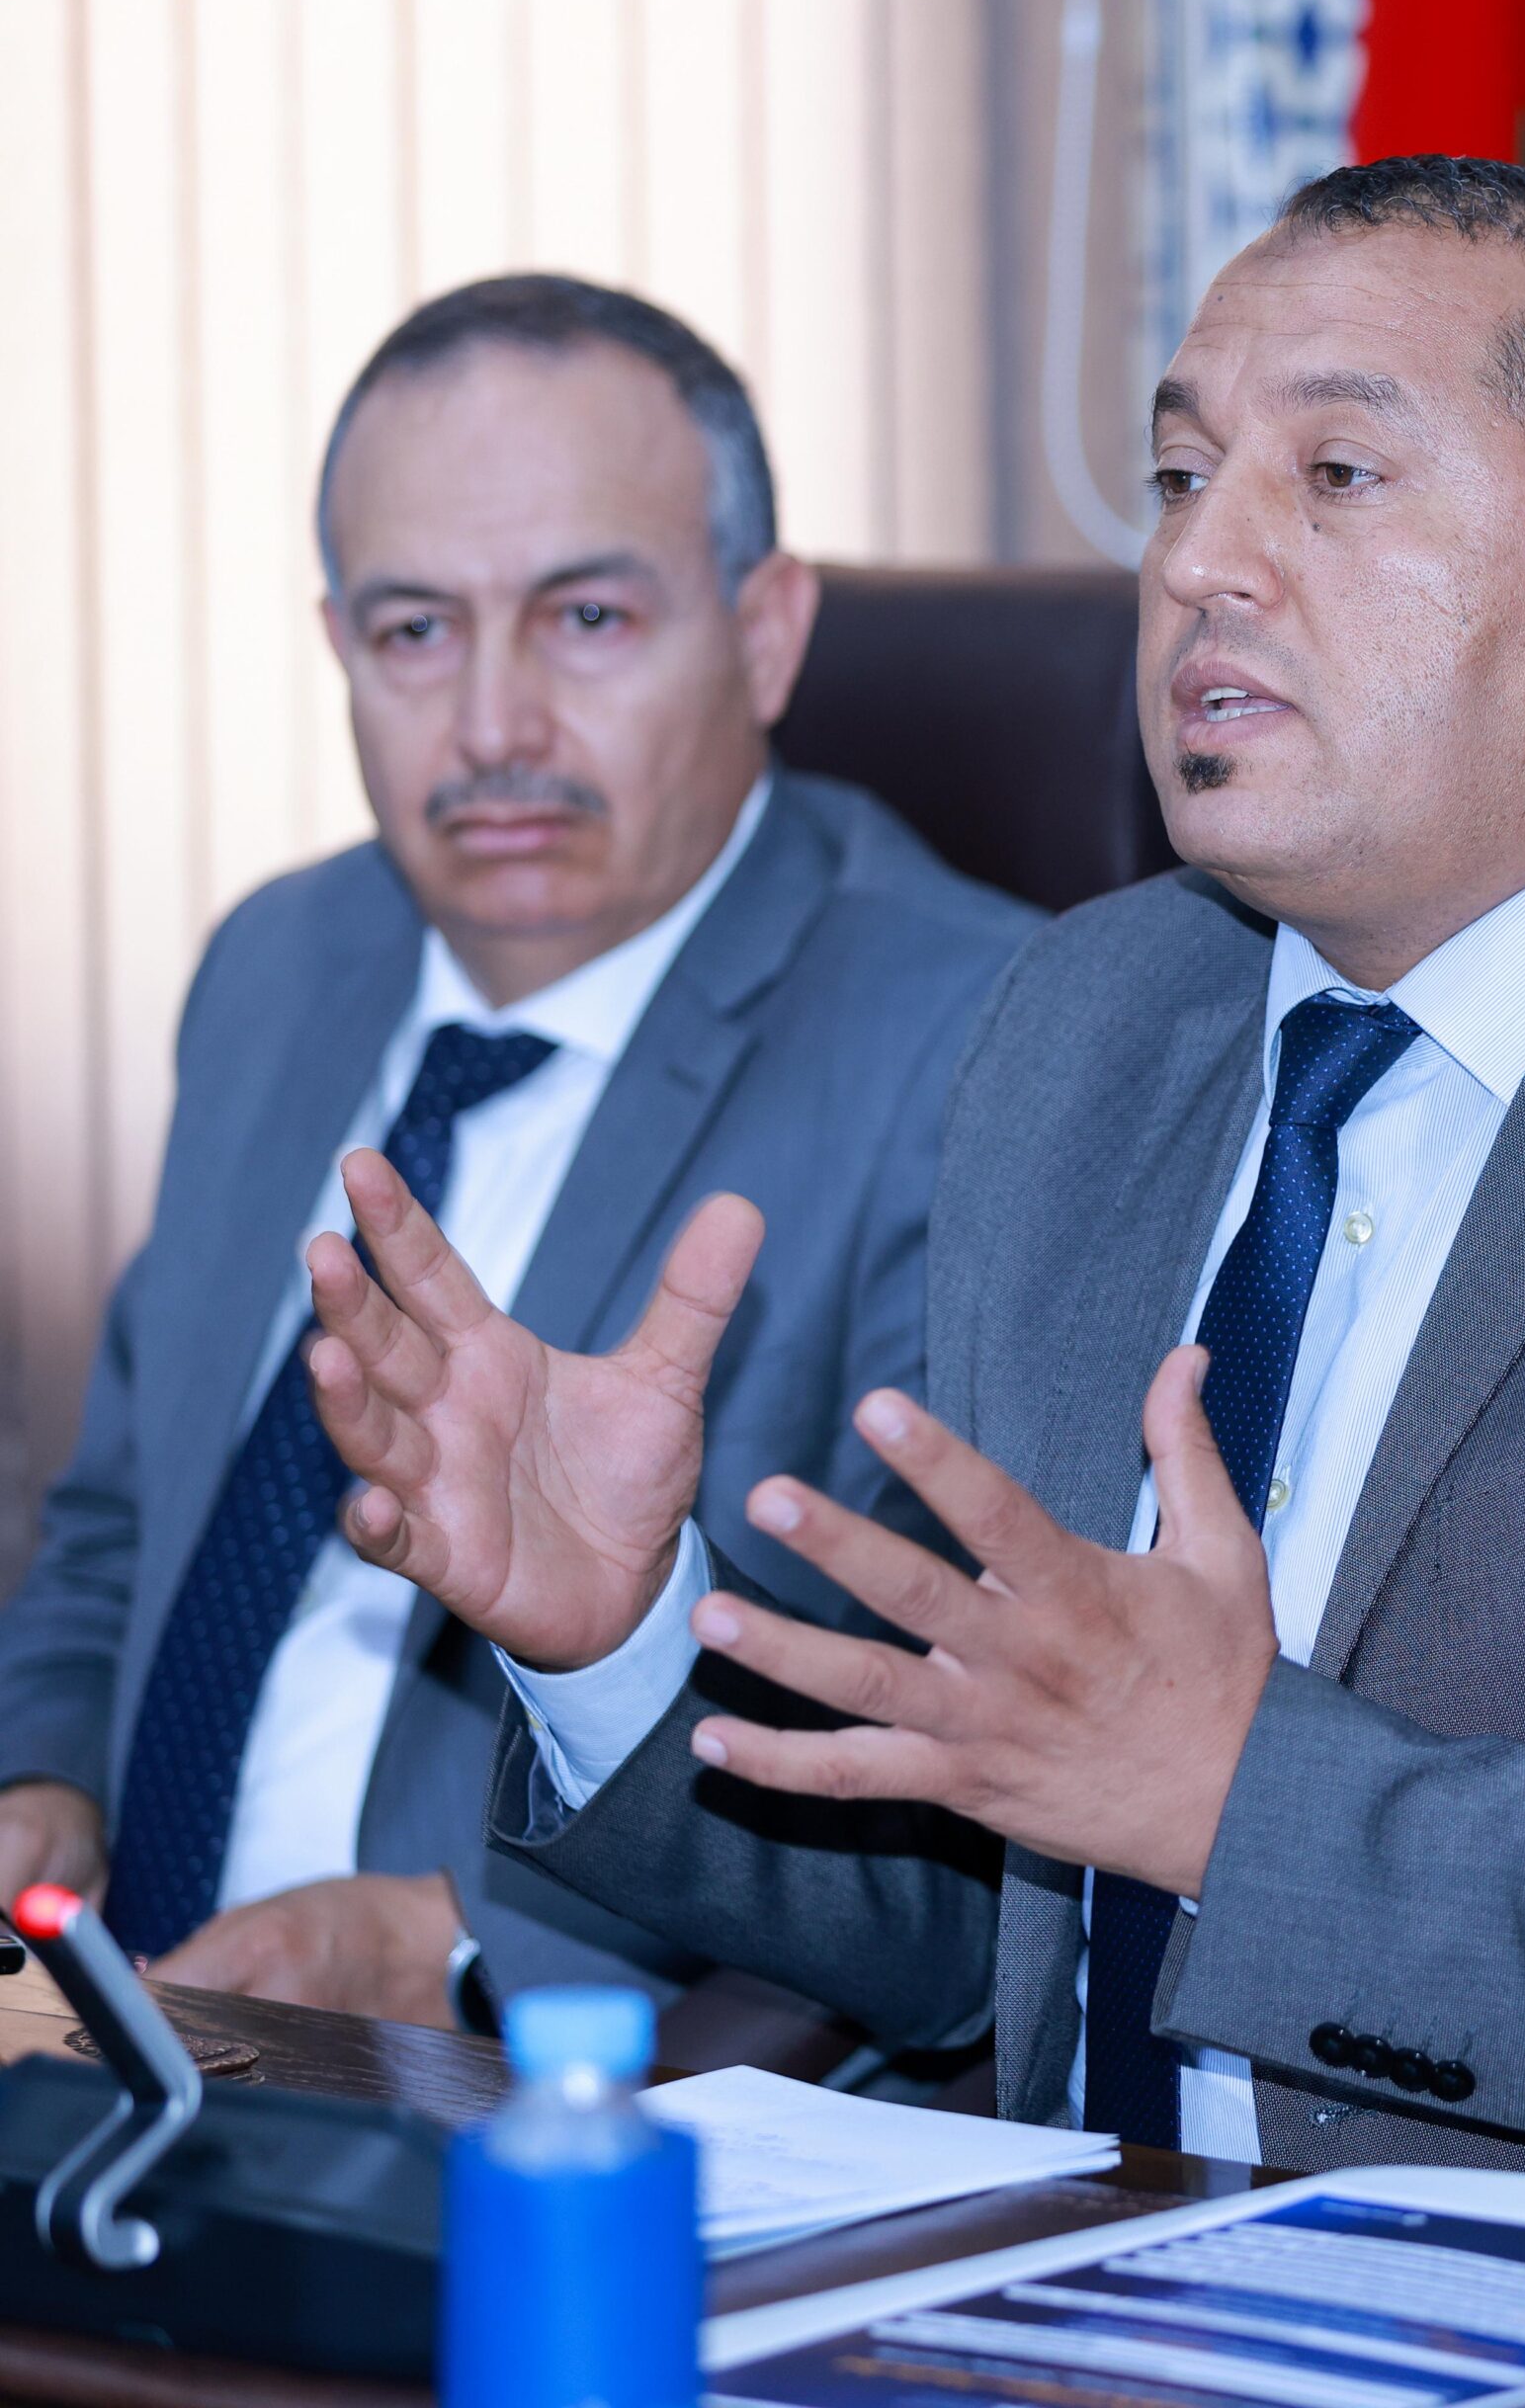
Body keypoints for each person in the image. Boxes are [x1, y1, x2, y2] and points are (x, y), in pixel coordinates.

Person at [306, 163, 1525, 2245]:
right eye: (1181, 477)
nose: (1196, 562)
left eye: (1336, 476)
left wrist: (1235, 1800)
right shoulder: (1102, 1018)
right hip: (1100, 2286)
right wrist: (620, 1638)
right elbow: (979, 1901)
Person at [0, 274, 1030, 2034]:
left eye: (587, 619)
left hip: (520, 2093)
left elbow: (947, 1794)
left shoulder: (987, 1042)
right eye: (416, 630)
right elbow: (117, 1524)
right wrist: (45, 1789)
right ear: (338, 644)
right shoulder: (280, 963)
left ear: (766, 632)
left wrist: (470, 1945)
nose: (491, 728)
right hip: (121, 2042)